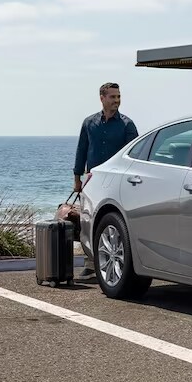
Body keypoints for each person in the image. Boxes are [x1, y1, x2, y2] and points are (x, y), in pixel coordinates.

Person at [72, 82, 138, 278]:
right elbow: (81, 150)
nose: (117, 101)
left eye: (118, 97)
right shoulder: (89, 123)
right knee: (87, 222)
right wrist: (77, 179)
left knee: (112, 221)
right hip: (92, 181)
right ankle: (91, 264)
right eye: (112, 97)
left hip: (117, 182)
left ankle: (117, 263)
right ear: (102, 98)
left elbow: (135, 156)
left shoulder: (127, 124)